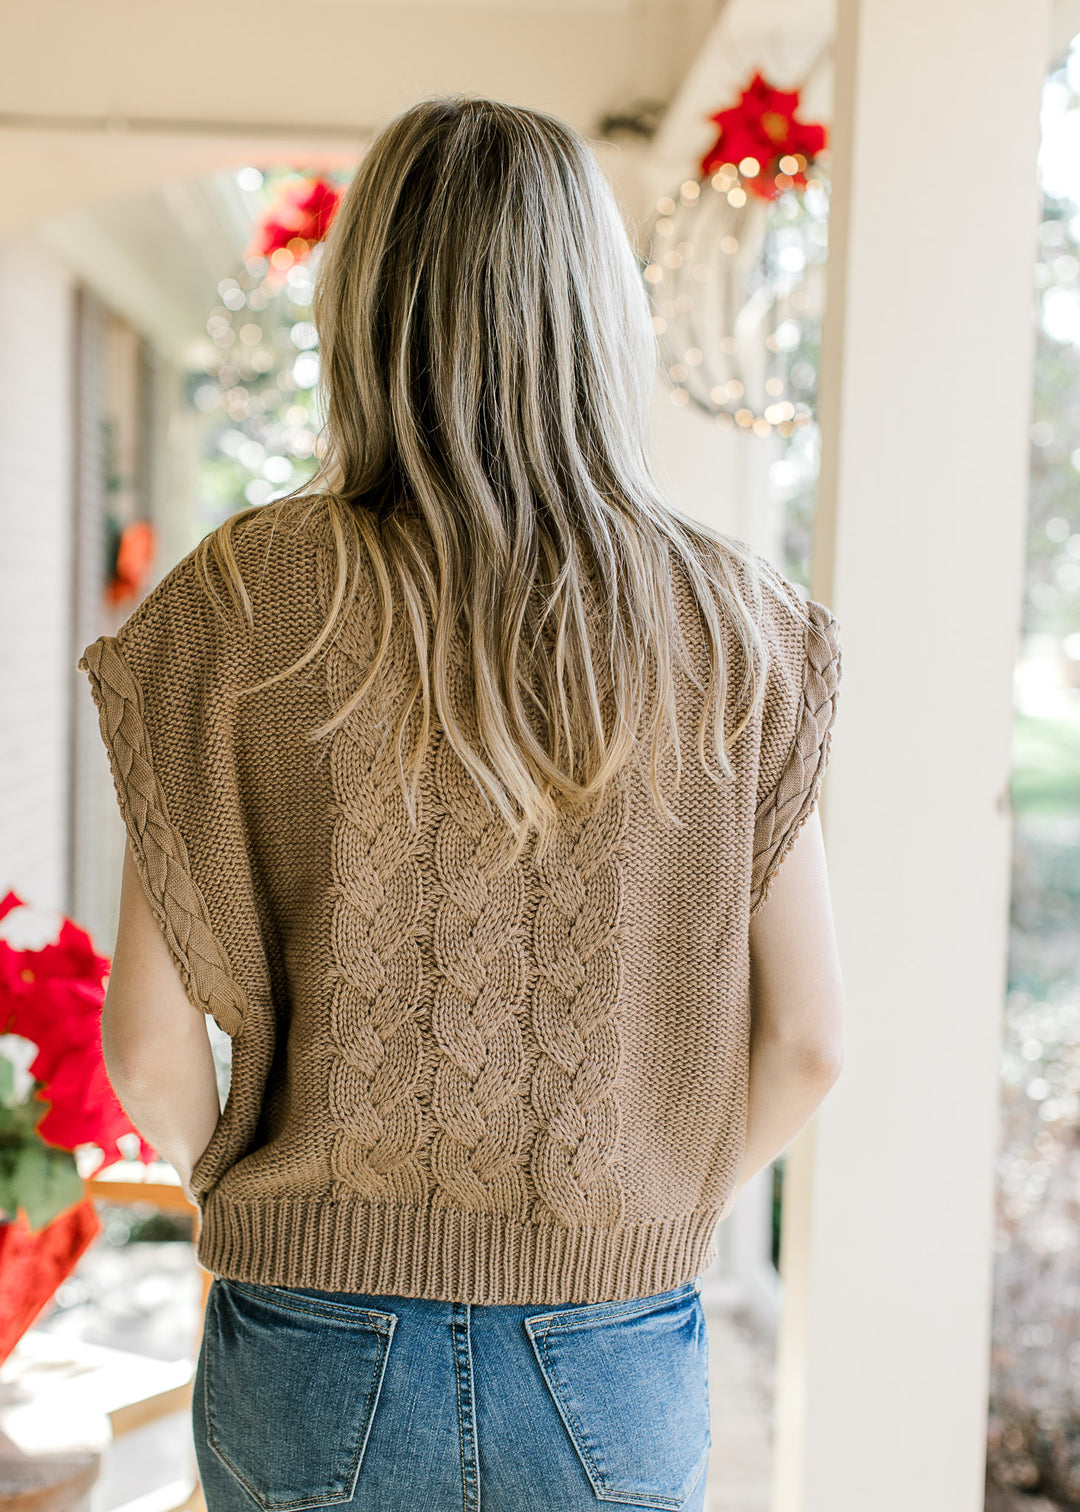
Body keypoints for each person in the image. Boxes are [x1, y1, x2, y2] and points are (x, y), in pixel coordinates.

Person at [81, 93, 846, 1512]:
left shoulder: (239, 607)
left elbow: (143, 1043)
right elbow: (806, 1044)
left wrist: (248, 1209)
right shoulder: (735, 627)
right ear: (601, 314)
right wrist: (646, 1224)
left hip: (306, 1337)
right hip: (611, 1349)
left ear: (362, 301)